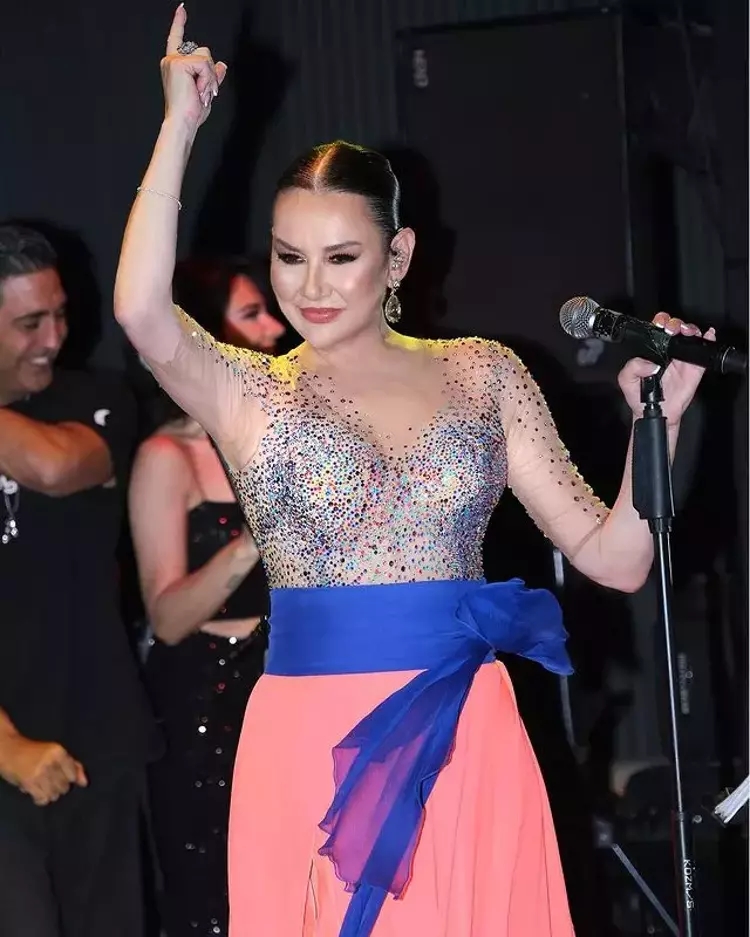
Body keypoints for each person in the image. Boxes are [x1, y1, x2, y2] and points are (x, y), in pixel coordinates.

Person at [113, 8, 712, 935]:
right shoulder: (248, 390)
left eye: (342, 258)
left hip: (468, 736)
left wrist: (655, 422)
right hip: (312, 742)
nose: (311, 285)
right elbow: (141, 310)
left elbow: (618, 557)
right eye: (289, 258)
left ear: (398, 256)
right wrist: (179, 125)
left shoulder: (485, 372)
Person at [0, 223, 157, 937]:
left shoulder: (97, 397)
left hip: (98, 736)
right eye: (30, 322)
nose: (54, 337)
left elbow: (57, 467)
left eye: (59, 314)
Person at [128, 254, 284, 937]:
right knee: (217, 899)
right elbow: (166, 618)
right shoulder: (168, 456)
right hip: (208, 703)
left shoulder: (283, 435)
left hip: (287, 684)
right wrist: (253, 539)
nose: (274, 328)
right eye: (251, 314)